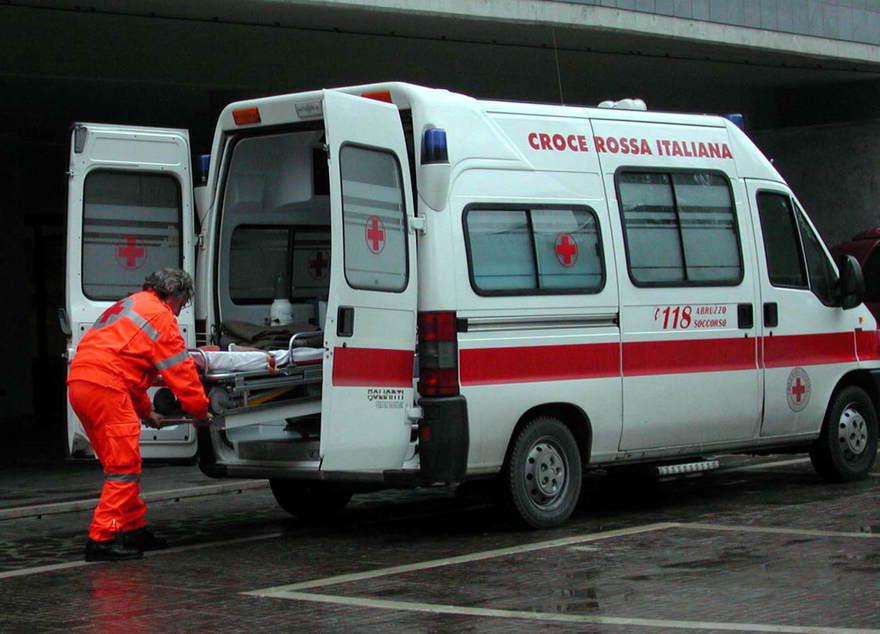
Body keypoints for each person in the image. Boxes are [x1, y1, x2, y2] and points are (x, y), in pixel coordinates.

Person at [68, 268, 211, 562]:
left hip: (82, 384)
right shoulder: (160, 316)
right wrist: (200, 411)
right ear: (174, 294)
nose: (181, 310)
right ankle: (102, 538)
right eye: (183, 303)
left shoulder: (131, 304)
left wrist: (146, 412)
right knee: (124, 467)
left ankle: (132, 528)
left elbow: (124, 364)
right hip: (106, 387)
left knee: (121, 465)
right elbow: (180, 371)